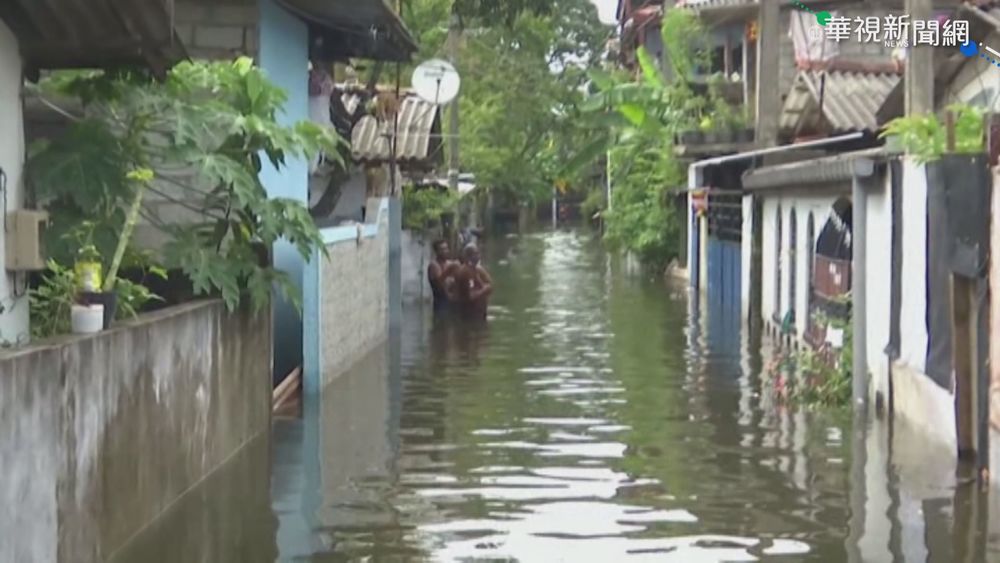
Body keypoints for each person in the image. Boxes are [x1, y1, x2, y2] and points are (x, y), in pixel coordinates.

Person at [453, 244, 492, 319]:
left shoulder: (475, 270)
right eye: (475, 254)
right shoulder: (466, 271)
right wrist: (485, 289)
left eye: (478, 253)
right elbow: (470, 296)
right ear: (468, 257)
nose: (478, 256)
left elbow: (490, 285)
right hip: (471, 315)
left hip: (478, 313)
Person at [428, 239, 458, 312]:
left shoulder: (451, 263)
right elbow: (439, 283)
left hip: (453, 302)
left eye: (446, 248)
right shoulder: (434, 265)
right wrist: (449, 270)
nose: (445, 251)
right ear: (436, 251)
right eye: (442, 249)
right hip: (441, 303)